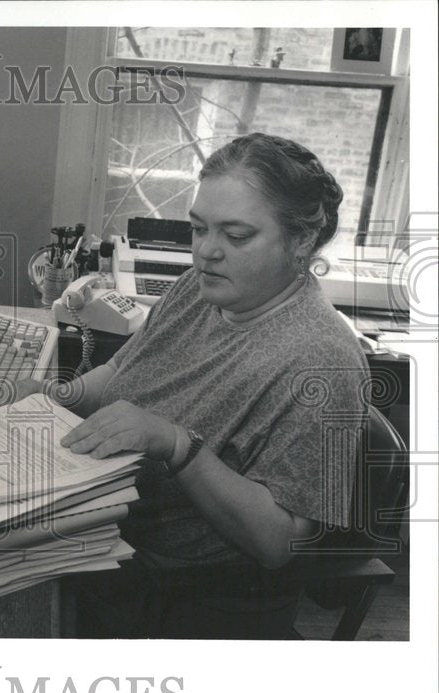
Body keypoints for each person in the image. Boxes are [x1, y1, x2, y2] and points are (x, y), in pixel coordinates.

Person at [19, 134, 369, 634]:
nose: (206, 252)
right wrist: (58, 398)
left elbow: (279, 543)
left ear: (301, 242)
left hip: (181, 593)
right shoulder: (200, 288)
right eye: (199, 229)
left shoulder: (322, 361)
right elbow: (121, 372)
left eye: (237, 236)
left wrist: (177, 446)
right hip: (105, 525)